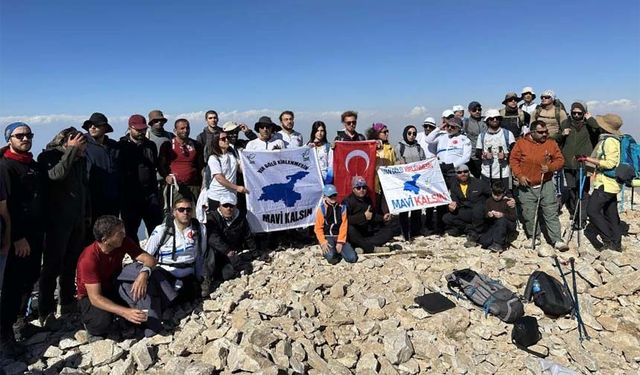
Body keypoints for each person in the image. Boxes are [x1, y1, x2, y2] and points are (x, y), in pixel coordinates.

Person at [76, 215, 171, 338]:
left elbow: (150, 260)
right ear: (105, 240)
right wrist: (125, 312)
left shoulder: (123, 242)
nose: (123, 234)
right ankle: (91, 323)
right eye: (119, 233)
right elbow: (95, 298)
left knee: (141, 302)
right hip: (90, 295)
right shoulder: (89, 259)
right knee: (102, 323)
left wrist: (143, 274)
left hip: (113, 285)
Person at [0, 122, 45, 357]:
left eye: (28, 135)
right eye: (20, 136)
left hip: (36, 233)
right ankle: (7, 334)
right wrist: (17, 237)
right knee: (13, 284)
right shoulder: (5, 167)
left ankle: (21, 321)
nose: (25, 139)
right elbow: (7, 208)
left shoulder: (32, 164)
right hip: (19, 237)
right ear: (10, 139)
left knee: (30, 278)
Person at [37, 127, 89, 328]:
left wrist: (86, 215)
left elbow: (84, 189)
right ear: (67, 141)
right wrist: (71, 152)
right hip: (56, 222)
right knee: (51, 267)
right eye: (80, 145)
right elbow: (56, 176)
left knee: (70, 264)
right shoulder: (48, 156)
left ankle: (66, 302)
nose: (83, 150)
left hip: (77, 220)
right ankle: (46, 311)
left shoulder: (79, 159)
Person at [509, 121, 569, 250]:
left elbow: (560, 160)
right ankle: (534, 237)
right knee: (529, 213)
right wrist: (520, 175)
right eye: (541, 132)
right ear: (532, 132)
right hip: (526, 185)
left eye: (546, 132)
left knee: (551, 212)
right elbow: (513, 160)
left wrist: (550, 167)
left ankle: (557, 240)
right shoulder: (521, 143)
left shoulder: (551, 143)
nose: (544, 134)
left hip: (546, 183)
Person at [145, 198, 207, 303]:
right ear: (174, 212)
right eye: (181, 209)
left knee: (189, 297)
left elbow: (200, 255)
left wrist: (200, 278)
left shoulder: (200, 229)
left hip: (188, 273)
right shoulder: (162, 230)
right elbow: (147, 254)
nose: (185, 213)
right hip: (166, 272)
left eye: (188, 210)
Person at [582, 114, 625, 251]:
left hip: (606, 183)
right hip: (612, 184)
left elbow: (610, 163)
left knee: (592, 211)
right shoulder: (615, 139)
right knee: (611, 214)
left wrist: (588, 159)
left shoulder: (610, 141)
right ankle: (616, 244)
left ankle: (608, 240)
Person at [118, 115, 163, 243]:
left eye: (143, 129)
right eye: (138, 130)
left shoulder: (151, 145)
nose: (141, 132)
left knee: (156, 228)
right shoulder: (121, 146)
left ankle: (156, 256)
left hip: (150, 194)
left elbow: (154, 166)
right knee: (130, 230)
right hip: (129, 195)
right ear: (130, 128)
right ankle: (136, 258)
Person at [558, 102, 600, 229]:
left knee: (582, 191)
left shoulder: (588, 125)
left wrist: (590, 118)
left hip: (583, 162)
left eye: (579, 113)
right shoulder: (566, 124)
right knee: (571, 189)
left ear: (584, 113)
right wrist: (562, 134)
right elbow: (558, 139)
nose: (576, 115)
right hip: (568, 163)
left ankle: (581, 218)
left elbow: (597, 128)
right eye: (574, 112)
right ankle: (574, 212)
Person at [206, 195, 255, 287]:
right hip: (215, 253)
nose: (228, 208)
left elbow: (247, 236)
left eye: (231, 206)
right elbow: (213, 238)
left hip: (230, 254)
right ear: (220, 206)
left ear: (235, 206)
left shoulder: (240, 218)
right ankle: (206, 279)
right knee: (210, 256)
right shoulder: (212, 217)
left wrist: (255, 252)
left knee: (228, 274)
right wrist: (227, 250)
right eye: (225, 205)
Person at [83, 112, 121, 224]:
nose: (92, 127)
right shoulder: (83, 146)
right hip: (92, 201)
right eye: (90, 125)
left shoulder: (114, 147)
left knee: (111, 232)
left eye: (96, 125)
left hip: (113, 200)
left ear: (105, 128)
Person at [344, 176, 397, 253]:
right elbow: (345, 220)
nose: (361, 190)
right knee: (350, 229)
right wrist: (363, 217)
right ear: (353, 189)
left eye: (364, 187)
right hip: (356, 232)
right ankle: (371, 249)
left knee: (390, 231)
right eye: (358, 188)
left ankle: (361, 246)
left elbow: (372, 216)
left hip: (367, 232)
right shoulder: (347, 202)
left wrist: (383, 218)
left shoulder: (367, 199)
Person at [442, 164, 491, 246]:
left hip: (479, 212)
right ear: (456, 174)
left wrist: (507, 198)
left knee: (477, 209)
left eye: (465, 171)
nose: (463, 174)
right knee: (446, 218)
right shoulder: (454, 185)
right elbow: (455, 201)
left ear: (469, 172)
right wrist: (452, 207)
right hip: (465, 210)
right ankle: (469, 230)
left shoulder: (479, 183)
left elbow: (492, 194)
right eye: (459, 172)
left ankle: (476, 234)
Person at [159, 118, 205, 203]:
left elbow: (201, 166)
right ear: (175, 130)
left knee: (194, 213)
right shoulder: (167, 145)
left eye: (187, 128)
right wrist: (166, 176)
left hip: (194, 186)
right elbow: (161, 165)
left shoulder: (196, 145)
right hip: (176, 187)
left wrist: (203, 183)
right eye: (182, 128)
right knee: (178, 212)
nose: (185, 130)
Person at [395, 125, 426, 240]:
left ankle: (415, 231)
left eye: (414, 133)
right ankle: (404, 231)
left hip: (416, 181)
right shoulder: (399, 147)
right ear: (405, 134)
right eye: (409, 133)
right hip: (404, 182)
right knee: (404, 208)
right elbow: (395, 162)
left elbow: (424, 161)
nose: (412, 135)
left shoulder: (419, 147)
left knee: (416, 206)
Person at [314, 185, 358, 264]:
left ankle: (338, 250)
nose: (333, 197)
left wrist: (340, 242)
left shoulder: (342, 208)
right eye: (330, 196)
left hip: (339, 236)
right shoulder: (322, 209)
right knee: (331, 259)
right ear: (325, 197)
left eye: (334, 195)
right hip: (327, 236)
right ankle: (332, 251)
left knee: (352, 258)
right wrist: (323, 242)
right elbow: (318, 228)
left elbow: (343, 226)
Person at [206, 131, 246, 211]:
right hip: (217, 196)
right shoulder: (213, 158)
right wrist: (237, 187)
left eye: (228, 138)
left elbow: (240, 169)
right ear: (216, 141)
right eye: (223, 139)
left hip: (231, 196)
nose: (227, 140)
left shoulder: (232, 155)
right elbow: (219, 178)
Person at [424, 116, 472, 183]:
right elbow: (428, 139)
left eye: (452, 127)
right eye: (448, 126)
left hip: (455, 172)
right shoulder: (442, 135)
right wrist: (439, 128)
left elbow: (466, 157)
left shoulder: (464, 139)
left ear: (459, 128)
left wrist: (452, 166)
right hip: (441, 171)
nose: (449, 128)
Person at [476, 109, 516, 188]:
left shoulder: (508, 134)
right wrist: (484, 156)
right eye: (492, 118)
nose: (495, 120)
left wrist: (505, 155)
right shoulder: (482, 136)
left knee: (505, 196)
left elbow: (515, 153)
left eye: (497, 118)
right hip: (487, 173)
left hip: (504, 173)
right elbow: (477, 154)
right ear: (487, 120)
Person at [478, 181, 517, 252]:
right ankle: (497, 241)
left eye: (499, 195)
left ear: (503, 193)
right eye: (494, 194)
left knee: (501, 220)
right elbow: (485, 216)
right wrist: (489, 215)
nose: (496, 197)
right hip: (494, 225)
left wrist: (503, 215)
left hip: (507, 225)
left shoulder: (508, 202)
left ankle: (498, 244)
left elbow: (514, 217)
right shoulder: (488, 201)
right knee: (484, 242)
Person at [462, 101, 487, 178]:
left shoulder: (486, 121)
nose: (477, 111)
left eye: (479, 109)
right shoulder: (465, 123)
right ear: (469, 111)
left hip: (486, 156)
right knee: (475, 180)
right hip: (473, 157)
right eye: (474, 110)